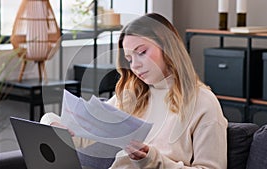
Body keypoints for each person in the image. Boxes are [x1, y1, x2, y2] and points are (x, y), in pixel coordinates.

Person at [41, 13, 228, 169]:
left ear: (168, 47)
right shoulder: (132, 96)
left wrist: (151, 159)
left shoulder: (203, 102)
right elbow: (85, 136)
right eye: (129, 59)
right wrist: (52, 123)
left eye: (142, 52)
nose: (135, 65)